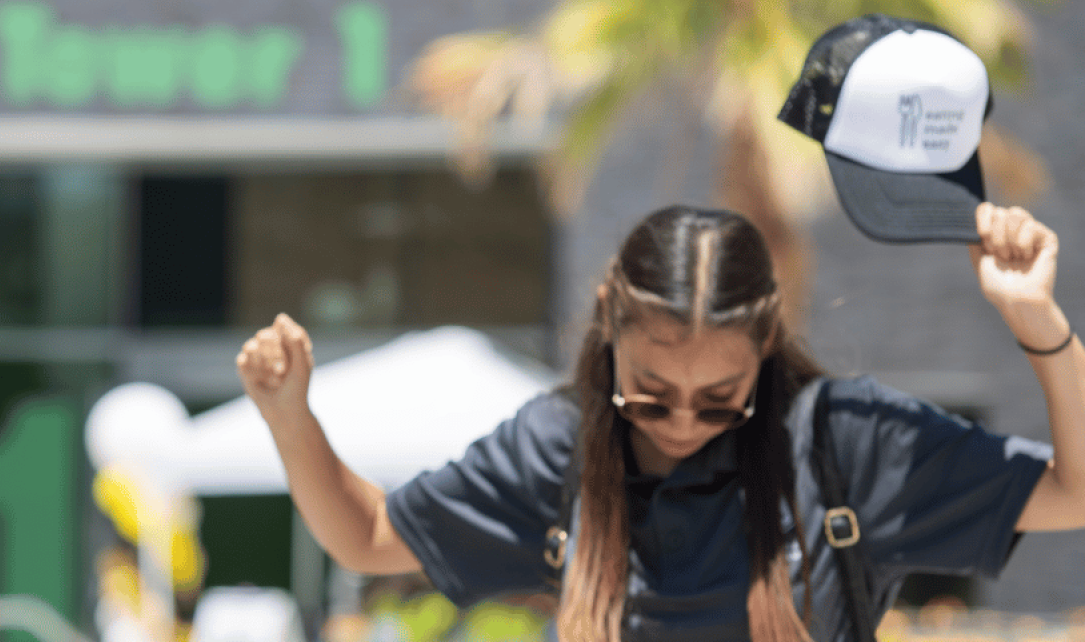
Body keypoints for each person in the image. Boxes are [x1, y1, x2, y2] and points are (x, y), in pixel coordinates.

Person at [236, 204, 1085, 642]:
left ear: (765, 342)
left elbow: (1073, 492)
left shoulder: (845, 443)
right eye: (648, 392)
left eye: (721, 399)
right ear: (609, 321)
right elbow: (370, 535)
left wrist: (1038, 327)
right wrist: (289, 419)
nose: (681, 422)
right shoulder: (559, 445)